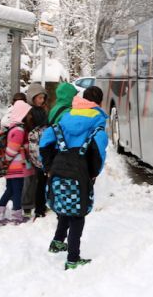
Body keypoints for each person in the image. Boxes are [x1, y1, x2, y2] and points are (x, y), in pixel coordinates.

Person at [39, 86, 108, 270]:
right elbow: (98, 151)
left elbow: (45, 141)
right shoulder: (97, 120)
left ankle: (57, 242)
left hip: (59, 166)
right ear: (99, 102)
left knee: (64, 203)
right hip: (80, 171)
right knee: (78, 213)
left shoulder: (66, 116)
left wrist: (48, 166)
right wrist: (93, 173)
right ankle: (73, 258)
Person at [0, 99, 34, 225]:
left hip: (11, 167)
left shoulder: (13, 128)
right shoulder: (19, 130)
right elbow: (12, 149)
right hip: (16, 167)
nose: (30, 116)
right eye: (28, 113)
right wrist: (7, 160)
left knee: (10, 190)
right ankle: (16, 215)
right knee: (17, 191)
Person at [23, 82, 49, 218]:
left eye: (43, 98)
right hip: (33, 150)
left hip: (40, 148)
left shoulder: (42, 110)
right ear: (32, 97)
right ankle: (37, 207)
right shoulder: (30, 112)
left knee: (40, 180)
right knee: (37, 180)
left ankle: (39, 205)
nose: (42, 100)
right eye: (39, 98)